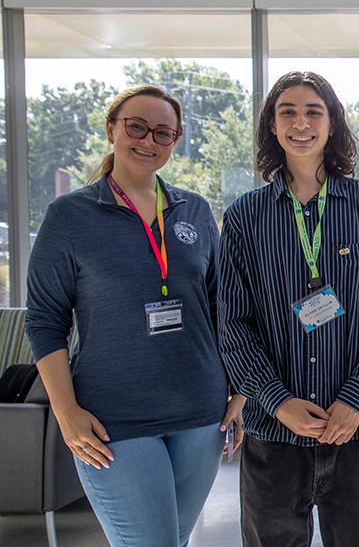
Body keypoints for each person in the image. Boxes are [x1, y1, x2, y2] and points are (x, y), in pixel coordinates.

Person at [25, 85, 245, 547]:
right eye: (136, 127)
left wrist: (240, 391)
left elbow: (226, 310)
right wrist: (65, 413)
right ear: (112, 129)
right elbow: (45, 321)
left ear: (175, 140)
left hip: (200, 417)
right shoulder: (69, 217)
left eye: (163, 132)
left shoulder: (195, 211)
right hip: (113, 422)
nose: (148, 140)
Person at [218, 71, 359, 547]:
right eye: (287, 112)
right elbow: (233, 326)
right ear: (271, 127)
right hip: (274, 437)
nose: (301, 122)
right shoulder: (243, 217)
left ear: (332, 123)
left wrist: (356, 399)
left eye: (314, 111)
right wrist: (276, 401)